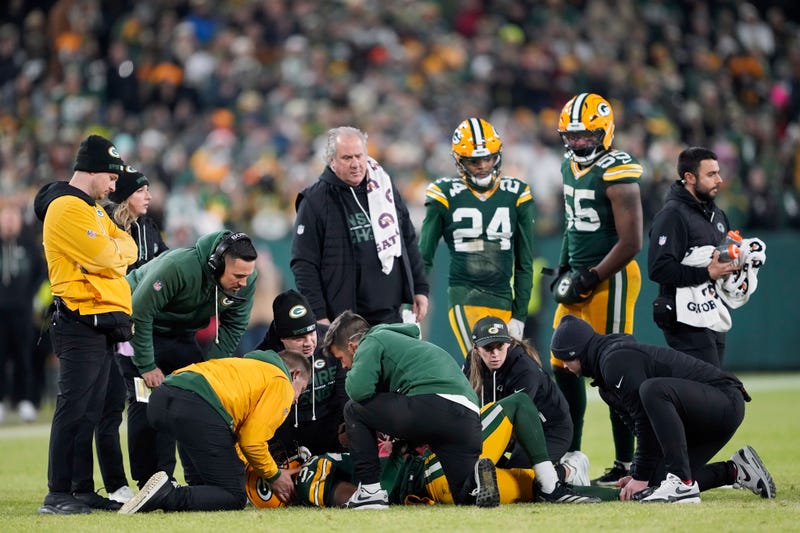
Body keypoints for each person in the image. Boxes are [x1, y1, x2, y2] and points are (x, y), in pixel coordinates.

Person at [551, 315, 776, 503]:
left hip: (724, 400)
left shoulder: (613, 361)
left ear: (575, 352)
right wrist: (638, 475)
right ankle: (736, 470)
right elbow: (644, 429)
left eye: (563, 359)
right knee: (656, 482)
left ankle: (682, 482)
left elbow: (644, 420)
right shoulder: (605, 382)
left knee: (652, 390)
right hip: (701, 415)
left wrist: (638, 474)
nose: (563, 366)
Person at [33, 134, 137, 514]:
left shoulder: (90, 210)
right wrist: (114, 252)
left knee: (93, 409)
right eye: (111, 178)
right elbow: (105, 255)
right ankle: (57, 492)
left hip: (101, 321)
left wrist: (115, 250)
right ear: (93, 170)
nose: (114, 187)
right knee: (74, 406)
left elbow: (126, 247)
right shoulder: (66, 207)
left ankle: (80, 489)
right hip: (79, 317)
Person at [550, 93, 643, 485]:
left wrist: (592, 275)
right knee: (561, 362)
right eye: (572, 136)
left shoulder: (617, 170)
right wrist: (565, 268)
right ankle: (573, 456)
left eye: (587, 135)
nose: (578, 143)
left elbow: (633, 240)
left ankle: (627, 463)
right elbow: (573, 226)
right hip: (584, 275)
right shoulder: (569, 165)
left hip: (614, 277)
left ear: (604, 132)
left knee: (613, 369)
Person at [291, 393, 604, 507]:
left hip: (437, 488)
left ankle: (616, 488)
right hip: (432, 471)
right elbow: (360, 499)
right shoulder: (314, 468)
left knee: (536, 489)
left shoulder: (346, 455)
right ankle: (558, 474)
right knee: (517, 403)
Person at [323, 310, 499, 509]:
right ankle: (477, 481)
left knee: (354, 409)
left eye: (341, 358)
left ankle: (369, 492)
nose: (344, 365)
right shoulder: (406, 344)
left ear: (352, 346)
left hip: (432, 405)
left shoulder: (372, 339)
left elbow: (358, 390)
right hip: (467, 418)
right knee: (465, 498)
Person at [125, 230, 258, 490]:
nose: (244, 282)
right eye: (238, 276)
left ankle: (200, 479)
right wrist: (147, 365)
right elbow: (139, 311)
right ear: (216, 264)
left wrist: (208, 371)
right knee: (147, 403)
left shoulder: (247, 281)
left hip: (182, 334)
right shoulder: (178, 267)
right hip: (138, 329)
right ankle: (151, 481)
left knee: (196, 402)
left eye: (248, 275)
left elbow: (233, 326)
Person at [72, 166, 168, 506]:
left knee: (144, 401)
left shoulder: (150, 229)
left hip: (141, 333)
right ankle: (114, 484)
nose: (149, 196)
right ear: (126, 193)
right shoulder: (104, 224)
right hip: (108, 329)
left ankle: (154, 477)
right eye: (142, 191)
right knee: (109, 407)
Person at [117, 349, 311, 513]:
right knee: (234, 495)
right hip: (197, 409)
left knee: (204, 483)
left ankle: (158, 491)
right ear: (294, 375)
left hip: (161, 398)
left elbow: (235, 440)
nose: (295, 400)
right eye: (301, 390)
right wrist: (274, 475)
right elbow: (251, 441)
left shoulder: (246, 366)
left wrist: (247, 466)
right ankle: (168, 493)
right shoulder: (282, 383)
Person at [418, 117, 534, 359]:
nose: (483, 165)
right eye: (474, 160)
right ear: (460, 161)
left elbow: (525, 262)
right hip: (465, 294)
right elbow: (424, 256)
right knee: (481, 361)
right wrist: (411, 303)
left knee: (509, 368)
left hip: (503, 296)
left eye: (488, 158)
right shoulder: (445, 193)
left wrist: (520, 314)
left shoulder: (516, 193)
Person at [290, 126, 429, 326]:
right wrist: (318, 314)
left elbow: (407, 239)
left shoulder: (384, 188)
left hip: (390, 313)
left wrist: (420, 288)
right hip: (345, 320)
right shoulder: (315, 201)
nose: (355, 164)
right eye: (347, 158)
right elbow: (303, 263)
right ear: (332, 161)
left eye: (359, 156)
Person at [647, 147, 742, 367]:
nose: (719, 179)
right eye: (711, 174)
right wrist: (707, 272)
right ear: (689, 177)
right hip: (684, 316)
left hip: (712, 309)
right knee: (708, 387)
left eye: (718, 172)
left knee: (711, 388)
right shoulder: (672, 215)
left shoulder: (717, 214)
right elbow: (658, 268)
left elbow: (718, 262)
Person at [465, 316, 587, 486]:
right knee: (482, 469)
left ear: (508, 343)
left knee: (525, 481)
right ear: (477, 349)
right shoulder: (472, 362)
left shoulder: (523, 368)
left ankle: (570, 469)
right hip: (510, 429)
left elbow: (518, 419)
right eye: (488, 348)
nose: (495, 354)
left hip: (549, 430)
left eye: (500, 346)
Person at [256, 289, 347, 455]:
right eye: (299, 339)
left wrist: (348, 426)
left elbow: (345, 391)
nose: (309, 343)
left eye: (311, 333)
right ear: (281, 338)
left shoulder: (331, 340)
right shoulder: (263, 360)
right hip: (288, 435)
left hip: (331, 429)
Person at [0, 202, 46, 423]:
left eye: (12, 217)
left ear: (19, 221)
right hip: (0, 312)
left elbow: (42, 274)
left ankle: (26, 400)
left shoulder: (29, 246)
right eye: (5, 217)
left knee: (24, 356)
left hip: (23, 311)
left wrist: (35, 298)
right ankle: (2, 401)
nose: (9, 222)